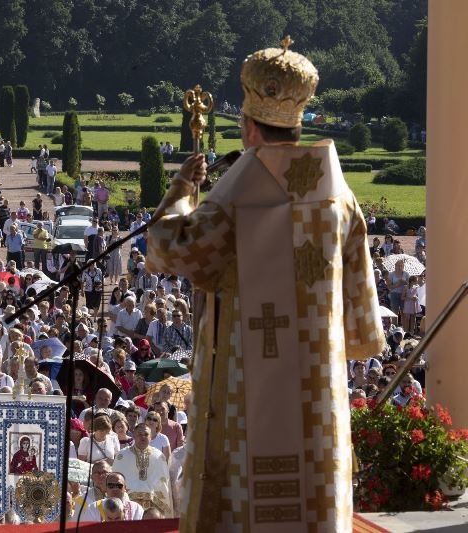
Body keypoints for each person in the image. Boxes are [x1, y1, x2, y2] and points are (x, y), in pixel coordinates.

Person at [145, 41, 384, 531]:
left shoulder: (236, 197)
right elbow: (360, 313)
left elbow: (171, 248)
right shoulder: (339, 197)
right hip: (315, 392)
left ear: (250, 127)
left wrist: (182, 191)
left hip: (243, 388)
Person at [112, 424, 173, 517]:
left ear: (151, 437)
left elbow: (163, 482)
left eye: (146, 434)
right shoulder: (122, 456)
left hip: (153, 504)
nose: (143, 437)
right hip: (129, 503)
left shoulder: (159, 456)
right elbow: (116, 480)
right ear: (134, 436)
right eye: (139, 434)